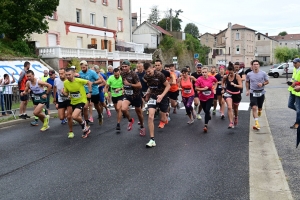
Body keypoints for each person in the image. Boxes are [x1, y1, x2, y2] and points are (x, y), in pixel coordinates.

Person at [143, 63, 170, 148]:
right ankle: (152, 140)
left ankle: (166, 115)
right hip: (153, 96)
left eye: (149, 71)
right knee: (151, 117)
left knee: (163, 119)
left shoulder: (160, 75)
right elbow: (151, 87)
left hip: (163, 96)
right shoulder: (146, 77)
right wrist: (148, 93)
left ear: (153, 68)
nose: (148, 73)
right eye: (146, 72)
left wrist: (162, 96)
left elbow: (168, 86)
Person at [62, 67, 93, 138]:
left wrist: (90, 92)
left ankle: (84, 124)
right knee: (77, 117)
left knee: (74, 116)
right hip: (73, 101)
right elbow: (67, 93)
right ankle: (85, 129)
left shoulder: (79, 80)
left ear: (73, 74)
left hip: (81, 100)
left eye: (69, 74)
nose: (67, 76)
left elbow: (89, 82)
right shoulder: (66, 83)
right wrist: (64, 93)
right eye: (66, 75)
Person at [120, 60, 145, 136]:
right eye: (123, 66)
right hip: (128, 96)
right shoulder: (122, 74)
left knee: (139, 113)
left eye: (125, 66)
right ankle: (130, 120)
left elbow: (139, 85)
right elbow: (124, 84)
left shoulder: (134, 74)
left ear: (129, 66)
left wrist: (130, 84)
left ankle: (142, 126)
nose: (124, 68)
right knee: (123, 109)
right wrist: (123, 89)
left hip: (136, 96)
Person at [79, 60, 105, 125]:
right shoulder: (80, 73)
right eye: (81, 68)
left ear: (87, 66)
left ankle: (99, 115)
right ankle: (86, 122)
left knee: (97, 106)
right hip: (85, 92)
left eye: (84, 68)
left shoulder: (92, 72)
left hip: (94, 92)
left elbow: (100, 80)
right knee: (85, 107)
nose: (82, 69)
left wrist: (92, 83)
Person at [246, 60, 269, 130]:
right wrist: (247, 90)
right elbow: (247, 82)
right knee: (254, 108)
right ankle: (257, 123)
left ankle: (260, 110)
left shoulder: (263, 73)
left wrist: (262, 84)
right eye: (254, 64)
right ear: (252, 66)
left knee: (259, 108)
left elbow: (267, 81)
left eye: (257, 64)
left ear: (259, 65)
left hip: (261, 92)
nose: (255, 65)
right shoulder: (249, 74)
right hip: (253, 92)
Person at [53, 68, 74, 138]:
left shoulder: (69, 80)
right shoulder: (56, 80)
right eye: (59, 74)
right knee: (61, 117)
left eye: (62, 74)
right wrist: (54, 98)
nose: (60, 75)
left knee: (68, 116)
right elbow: (55, 88)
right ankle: (71, 116)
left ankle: (71, 131)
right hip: (61, 99)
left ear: (65, 74)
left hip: (69, 100)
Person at [195, 67, 218, 132]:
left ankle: (205, 125)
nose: (204, 74)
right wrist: (203, 89)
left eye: (205, 72)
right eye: (203, 72)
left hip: (210, 97)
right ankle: (208, 115)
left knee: (207, 110)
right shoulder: (199, 79)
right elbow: (196, 88)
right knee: (206, 111)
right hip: (202, 97)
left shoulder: (211, 78)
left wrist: (214, 88)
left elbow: (216, 82)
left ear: (207, 72)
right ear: (201, 73)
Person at [222, 62, 243, 128]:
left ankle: (236, 117)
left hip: (236, 94)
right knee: (229, 107)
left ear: (234, 71)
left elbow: (241, 86)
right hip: (228, 93)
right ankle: (231, 122)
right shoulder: (226, 76)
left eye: (231, 72)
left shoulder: (237, 76)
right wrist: (223, 88)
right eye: (229, 72)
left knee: (235, 109)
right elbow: (223, 82)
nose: (230, 74)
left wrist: (235, 85)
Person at [154, 60, 171, 126]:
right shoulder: (153, 72)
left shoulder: (166, 72)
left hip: (164, 92)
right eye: (156, 65)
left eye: (158, 65)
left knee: (163, 107)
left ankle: (163, 119)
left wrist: (168, 84)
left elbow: (172, 78)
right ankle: (162, 116)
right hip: (155, 91)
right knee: (155, 107)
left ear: (161, 65)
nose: (157, 67)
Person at [287, 58, 300, 129]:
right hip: (292, 90)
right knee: (290, 105)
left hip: (298, 91)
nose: (294, 64)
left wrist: (295, 84)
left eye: (295, 63)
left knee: (298, 109)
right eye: (293, 63)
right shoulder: (295, 69)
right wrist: (290, 82)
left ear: (299, 63)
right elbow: (294, 78)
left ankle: (297, 123)